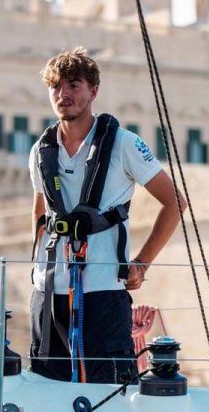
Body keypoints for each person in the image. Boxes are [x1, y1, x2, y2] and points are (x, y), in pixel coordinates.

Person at [30, 47, 184, 383]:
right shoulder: (41, 150)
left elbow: (174, 203)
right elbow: (41, 210)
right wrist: (39, 263)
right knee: (44, 386)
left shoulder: (124, 144)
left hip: (103, 289)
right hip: (48, 290)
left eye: (73, 85)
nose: (63, 94)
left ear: (93, 91)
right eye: (56, 87)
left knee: (110, 387)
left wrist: (142, 263)